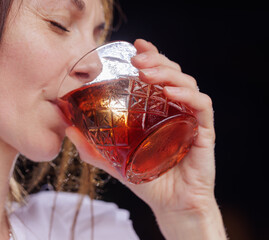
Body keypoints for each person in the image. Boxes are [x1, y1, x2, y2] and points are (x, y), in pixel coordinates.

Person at [0, 0, 227, 239]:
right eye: (59, 24)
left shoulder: (86, 231)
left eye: (97, 38)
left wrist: (191, 215)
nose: (95, 66)